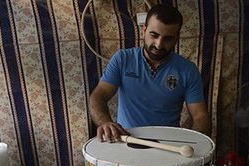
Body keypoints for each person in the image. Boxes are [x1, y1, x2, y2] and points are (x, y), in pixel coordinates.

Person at [89, 3, 211, 142]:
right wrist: (105, 122)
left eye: (168, 38)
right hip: (127, 141)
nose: (159, 44)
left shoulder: (188, 70)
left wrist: (196, 142)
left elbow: (200, 116)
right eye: (154, 35)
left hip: (168, 145)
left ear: (177, 38)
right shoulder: (122, 59)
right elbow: (98, 96)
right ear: (144, 30)